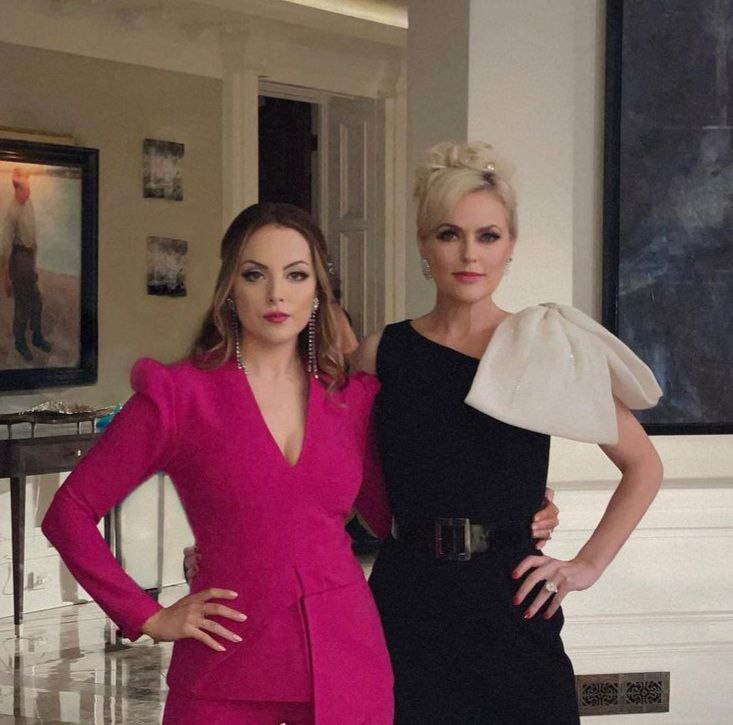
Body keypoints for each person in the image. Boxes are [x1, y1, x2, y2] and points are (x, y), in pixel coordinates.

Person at [42, 202, 395, 724]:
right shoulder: (180, 396)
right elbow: (68, 512)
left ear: (318, 290)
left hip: (346, 661)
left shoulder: (353, 399)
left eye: (296, 275)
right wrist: (147, 615)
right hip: (222, 665)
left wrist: (514, 515)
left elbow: (395, 519)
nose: (276, 294)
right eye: (255, 275)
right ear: (230, 287)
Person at [352, 141, 664, 724]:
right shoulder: (381, 354)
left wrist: (587, 565)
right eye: (449, 234)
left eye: (488, 236)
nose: (469, 254)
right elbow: (339, 475)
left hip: (512, 599)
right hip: (408, 602)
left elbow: (644, 465)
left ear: (511, 245)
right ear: (424, 244)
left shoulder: (542, 345)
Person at [2, 167, 51, 361]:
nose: (29, 192)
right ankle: (20, 342)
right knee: (23, 305)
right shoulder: (11, 213)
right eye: (26, 189)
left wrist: (34, 265)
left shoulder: (28, 203)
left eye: (30, 188)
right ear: (17, 189)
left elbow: (33, 237)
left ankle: (37, 337)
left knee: (37, 302)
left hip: (29, 258)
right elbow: (5, 249)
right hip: (18, 258)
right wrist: (5, 279)